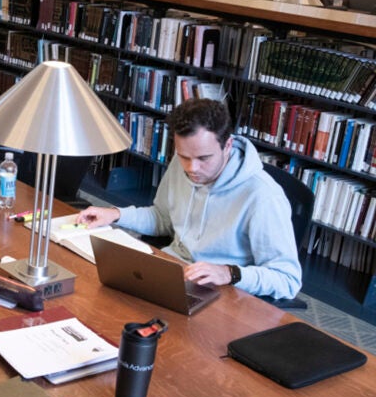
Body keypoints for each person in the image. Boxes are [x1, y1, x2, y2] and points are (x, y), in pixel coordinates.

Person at [76, 98, 302, 301]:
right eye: (184, 156)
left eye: (204, 158)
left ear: (228, 146)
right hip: (176, 273)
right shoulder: (181, 164)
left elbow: (287, 280)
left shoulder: (263, 196)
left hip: (226, 294)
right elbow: (163, 219)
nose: (192, 168)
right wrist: (116, 214)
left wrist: (229, 272)